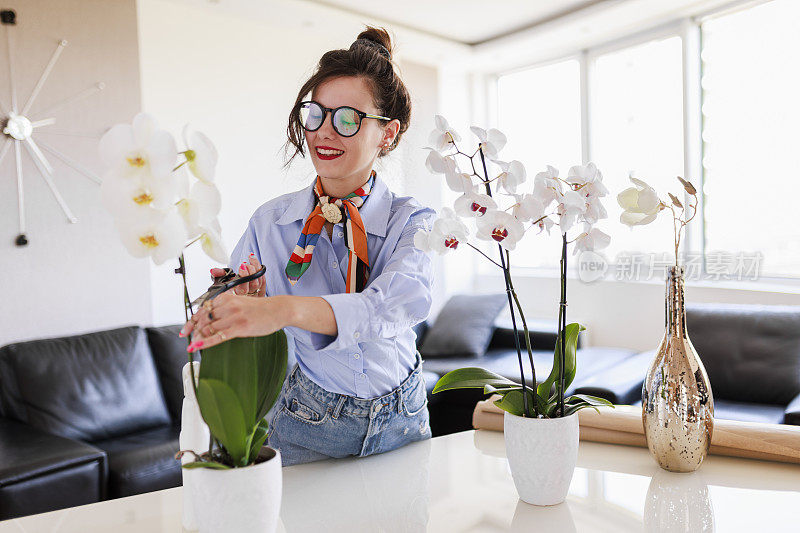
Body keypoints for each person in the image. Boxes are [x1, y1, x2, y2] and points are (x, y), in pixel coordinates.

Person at [179, 26, 436, 466]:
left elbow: (393, 306)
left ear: (388, 134)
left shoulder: (412, 221)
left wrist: (281, 309)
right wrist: (230, 302)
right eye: (315, 114)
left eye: (348, 118)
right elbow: (233, 298)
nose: (324, 132)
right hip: (306, 422)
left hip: (404, 419)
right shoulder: (270, 222)